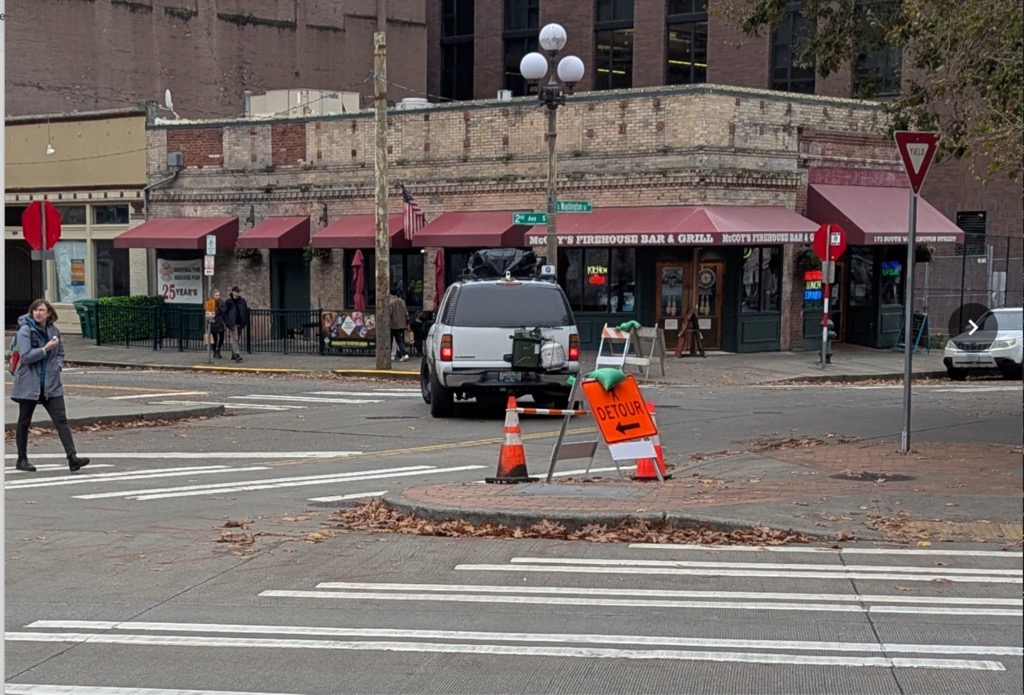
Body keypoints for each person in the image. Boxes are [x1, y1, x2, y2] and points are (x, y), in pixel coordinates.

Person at [10, 299, 90, 473]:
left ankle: (72, 458)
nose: (38, 313)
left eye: (41, 310)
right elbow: (25, 357)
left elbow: (60, 352)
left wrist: (58, 365)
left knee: (61, 420)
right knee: (24, 421)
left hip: (51, 384)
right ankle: (21, 459)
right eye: (35, 310)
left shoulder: (54, 330)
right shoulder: (25, 331)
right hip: (29, 383)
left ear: (49, 313)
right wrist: (45, 349)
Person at [223, 286, 249, 362]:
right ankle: (237, 354)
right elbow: (225, 312)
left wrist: (245, 321)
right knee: (235, 338)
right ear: (233, 292)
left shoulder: (242, 301)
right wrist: (228, 322)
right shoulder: (229, 301)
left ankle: (233, 354)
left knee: (237, 339)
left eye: (239, 292)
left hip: (240, 322)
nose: (238, 293)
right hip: (232, 322)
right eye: (237, 292)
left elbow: (245, 311)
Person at [389, 286, 410, 362]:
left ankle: (391, 355)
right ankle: (404, 353)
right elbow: (406, 312)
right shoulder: (402, 301)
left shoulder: (390, 302)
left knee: (390, 340)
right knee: (400, 340)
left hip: (392, 324)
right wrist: (407, 321)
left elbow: (389, 313)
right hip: (401, 324)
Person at [210, 289, 227, 359]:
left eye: (219, 295)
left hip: (220, 322)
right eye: (216, 295)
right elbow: (208, 313)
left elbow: (224, 310)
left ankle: (218, 349)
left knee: (222, 337)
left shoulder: (221, 302)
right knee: (214, 338)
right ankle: (214, 351)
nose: (218, 296)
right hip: (213, 322)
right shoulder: (211, 302)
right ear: (213, 296)